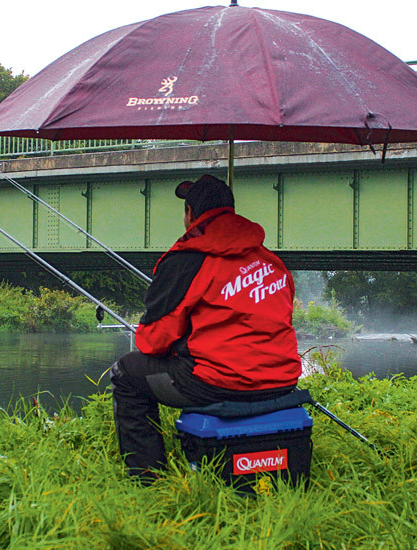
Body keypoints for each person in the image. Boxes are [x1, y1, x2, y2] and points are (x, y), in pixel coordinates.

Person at [110, 174, 302, 483]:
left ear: (189, 214)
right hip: (281, 381)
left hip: (220, 383)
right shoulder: (271, 261)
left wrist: (177, 345)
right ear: (231, 211)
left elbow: (154, 341)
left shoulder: (188, 260)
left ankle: (147, 478)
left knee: (127, 372)